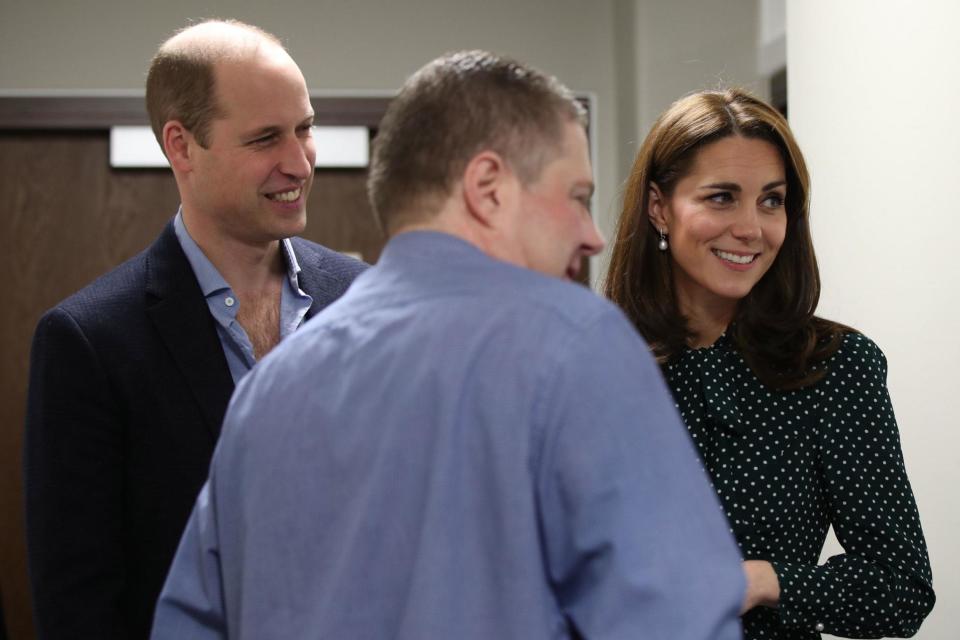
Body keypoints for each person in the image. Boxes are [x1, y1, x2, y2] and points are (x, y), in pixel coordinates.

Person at [151, 50, 746, 639]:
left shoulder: (269, 390)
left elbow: (193, 623)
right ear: (488, 187)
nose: (591, 236)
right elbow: (676, 621)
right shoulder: (575, 346)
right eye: (575, 198)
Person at [24, 20, 366, 639]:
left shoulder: (363, 297)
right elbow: (77, 599)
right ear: (181, 146)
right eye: (265, 138)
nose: (299, 162)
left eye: (305, 129)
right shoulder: (89, 341)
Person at [604, 88, 935, 639]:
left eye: (771, 200)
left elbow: (901, 587)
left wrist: (765, 581)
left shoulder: (836, 367)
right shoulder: (590, 366)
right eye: (721, 197)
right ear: (659, 207)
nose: (751, 228)